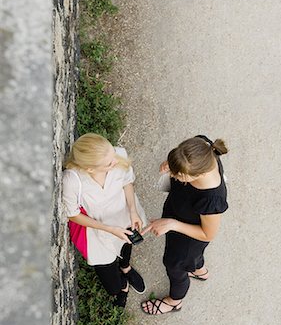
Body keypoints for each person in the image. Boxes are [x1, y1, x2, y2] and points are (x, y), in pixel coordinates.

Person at [141, 135, 228, 315]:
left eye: (178, 175)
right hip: (180, 215)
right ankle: (198, 269)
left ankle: (175, 301)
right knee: (191, 259)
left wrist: (172, 224)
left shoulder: (211, 198)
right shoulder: (201, 147)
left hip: (189, 237)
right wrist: (173, 164)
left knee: (175, 265)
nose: (172, 175)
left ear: (199, 174)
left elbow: (208, 234)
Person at [63, 133, 147, 308]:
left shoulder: (117, 155)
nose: (115, 162)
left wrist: (132, 210)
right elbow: (73, 215)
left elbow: (127, 183)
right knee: (110, 280)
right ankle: (122, 286)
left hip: (124, 214)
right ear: (90, 169)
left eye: (113, 155)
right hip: (97, 227)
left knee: (126, 243)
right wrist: (109, 229)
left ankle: (125, 267)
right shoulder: (73, 180)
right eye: (109, 163)